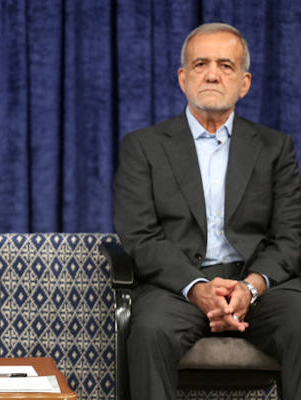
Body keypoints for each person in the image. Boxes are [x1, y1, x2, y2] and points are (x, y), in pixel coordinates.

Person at [114, 23, 301, 399]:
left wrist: (250, 287)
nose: (212, 74)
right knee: (150, 331)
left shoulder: (275, 148)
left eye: (225, 65)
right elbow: (140, 236)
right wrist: (198, 288)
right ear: (183, 78)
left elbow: (290, 236)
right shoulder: (143, 147)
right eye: (201, 64)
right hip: (177, 288)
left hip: (259, 289)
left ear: (244, 83)